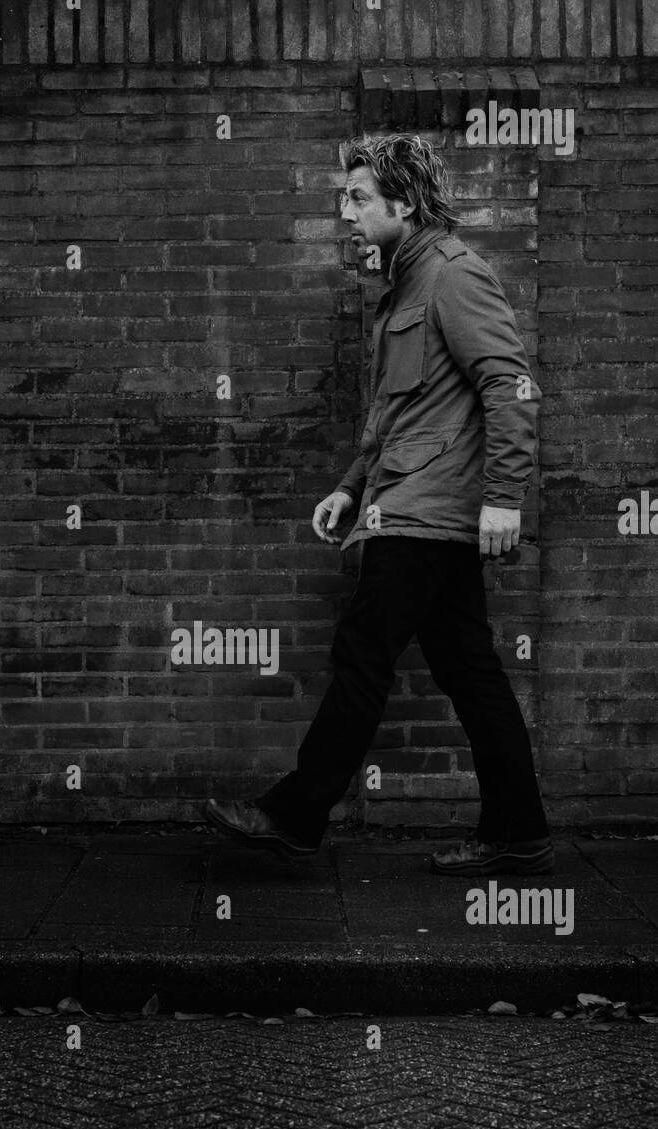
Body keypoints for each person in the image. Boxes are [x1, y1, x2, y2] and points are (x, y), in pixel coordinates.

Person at [204, 133, 553, 876]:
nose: (346, 213)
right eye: (344, 198)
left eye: (359, 198)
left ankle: (295, 814)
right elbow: (399, 412)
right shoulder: (406, 283)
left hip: (430, 509)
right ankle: (517, 830)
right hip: (407, 498)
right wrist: (350, 486)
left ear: (404, 201)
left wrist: (502, 499)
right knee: (468, 669)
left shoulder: (454, 275)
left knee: (363, 654)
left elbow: (510, 386)